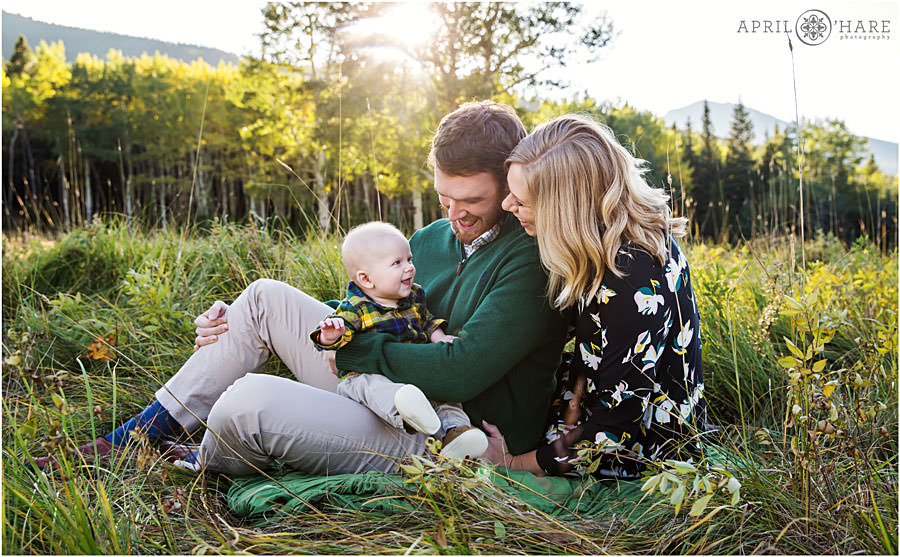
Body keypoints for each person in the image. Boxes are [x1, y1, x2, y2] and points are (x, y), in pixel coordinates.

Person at [33, 101, 568, 475]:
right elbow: (366, 307)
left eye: (469, 200)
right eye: (443, 197)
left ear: (511, 181)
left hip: (448, 435)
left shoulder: (533, 258)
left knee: (252, 403)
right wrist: (236, 334)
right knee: (264, 298)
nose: (453, 214)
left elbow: (465, 371)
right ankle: (140, 436)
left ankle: (201, 455)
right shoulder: (429, 238)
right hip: (382, 391)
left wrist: (352, 348)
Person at [483, 113, 707, 479]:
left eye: (521, 201)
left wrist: (510, 464)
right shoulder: (603, 244)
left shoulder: (631, 276)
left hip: (646, 457)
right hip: (587, 412)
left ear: (565, 210)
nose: (508, 205)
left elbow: (612, 435)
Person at [310, 221, 489, 460]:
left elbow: (426, 322)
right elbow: (339, 335)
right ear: (366, 279)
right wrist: (331, 335)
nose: (409, 268)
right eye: (397, 263)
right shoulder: (356, 306)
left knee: (448, 400)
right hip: (367, 377)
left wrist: (439, 337)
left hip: (412, 376)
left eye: (409, 259)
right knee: (369, 384)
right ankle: (403, 408)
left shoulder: (414, 297)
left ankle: (458, 434)